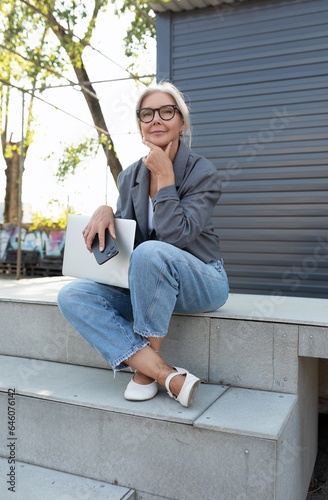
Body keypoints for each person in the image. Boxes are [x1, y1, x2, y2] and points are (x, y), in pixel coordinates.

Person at [57, 81, 229, 408]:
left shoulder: (202, 172)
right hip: (148, 285)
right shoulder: (129, 176)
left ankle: (145, 373)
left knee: (152, 252)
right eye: (146, 114)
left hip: (203, 279)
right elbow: (129, 244)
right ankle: (164, 373)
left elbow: (176, 237)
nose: (155, 120)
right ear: (139, 125)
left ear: (182, 123)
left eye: (167, 111)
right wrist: (106, 210)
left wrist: (166, 180)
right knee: (72, 295)